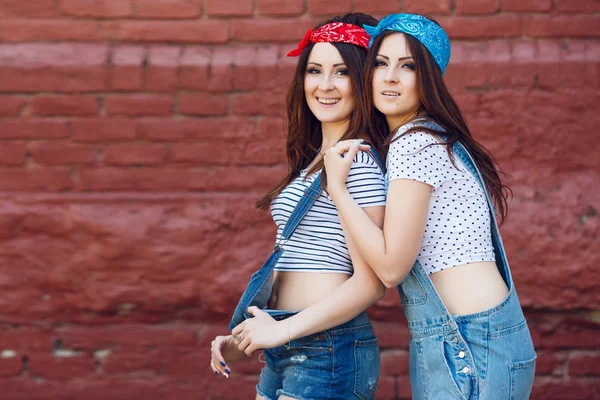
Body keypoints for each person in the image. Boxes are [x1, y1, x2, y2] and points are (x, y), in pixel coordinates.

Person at [322, 13, 537, 400]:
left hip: (469, 345)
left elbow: (391, 268)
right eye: (381, 63)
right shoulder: (435, 137)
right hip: (480, 335)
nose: (390, 77)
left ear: (430, 80)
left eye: (408, 66)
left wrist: (337, 188)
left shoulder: (413, 143)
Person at [209, 13, 388, 400]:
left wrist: (283, 330)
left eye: (340, 73)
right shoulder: (313, 161)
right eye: (314, 70)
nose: (324, 86)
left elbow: (372, 282)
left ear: (362, 82)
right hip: (285, 339)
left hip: (327, 347)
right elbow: (296, 255)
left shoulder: (355, 159)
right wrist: (248, 333)